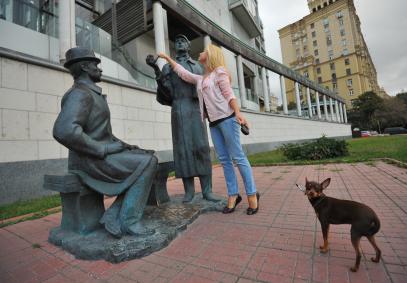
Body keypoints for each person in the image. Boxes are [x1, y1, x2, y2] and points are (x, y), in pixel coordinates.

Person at [53, 47, 158, 238]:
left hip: (99, 156)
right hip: (89, 161)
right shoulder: (81, 94)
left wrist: (126, 146)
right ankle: (129, 221)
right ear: (85, 67)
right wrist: (104, 149)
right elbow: (64, 130)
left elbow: (102, 132)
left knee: (146, 157)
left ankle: (113, 215)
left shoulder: (91, 93)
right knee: (148, 163)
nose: (99, 69)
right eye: (95, 65)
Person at [158, 44, 259, 215]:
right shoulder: (202, 78)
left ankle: (252, 195)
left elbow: (229, 95)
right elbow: (184, 73)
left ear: (210, 55)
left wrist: (238, 114)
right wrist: (168, 59)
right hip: (213, 123)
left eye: (204, 51)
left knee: (238, 157)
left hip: (227, 120)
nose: (201, 52)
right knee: (225, 161)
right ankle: (233, 195)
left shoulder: (219, 72)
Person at [146, 35, 220, 203]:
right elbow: (167, 93)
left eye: (183, 41)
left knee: (201, 148)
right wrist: (156, 70)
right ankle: (189, 192)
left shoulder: (199, 66)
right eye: (177, 40)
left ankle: (207, 191)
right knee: (183, 150)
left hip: (196, 109)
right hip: (179, 108)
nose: (179, 42)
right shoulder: (167, 68)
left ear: (188, 45)